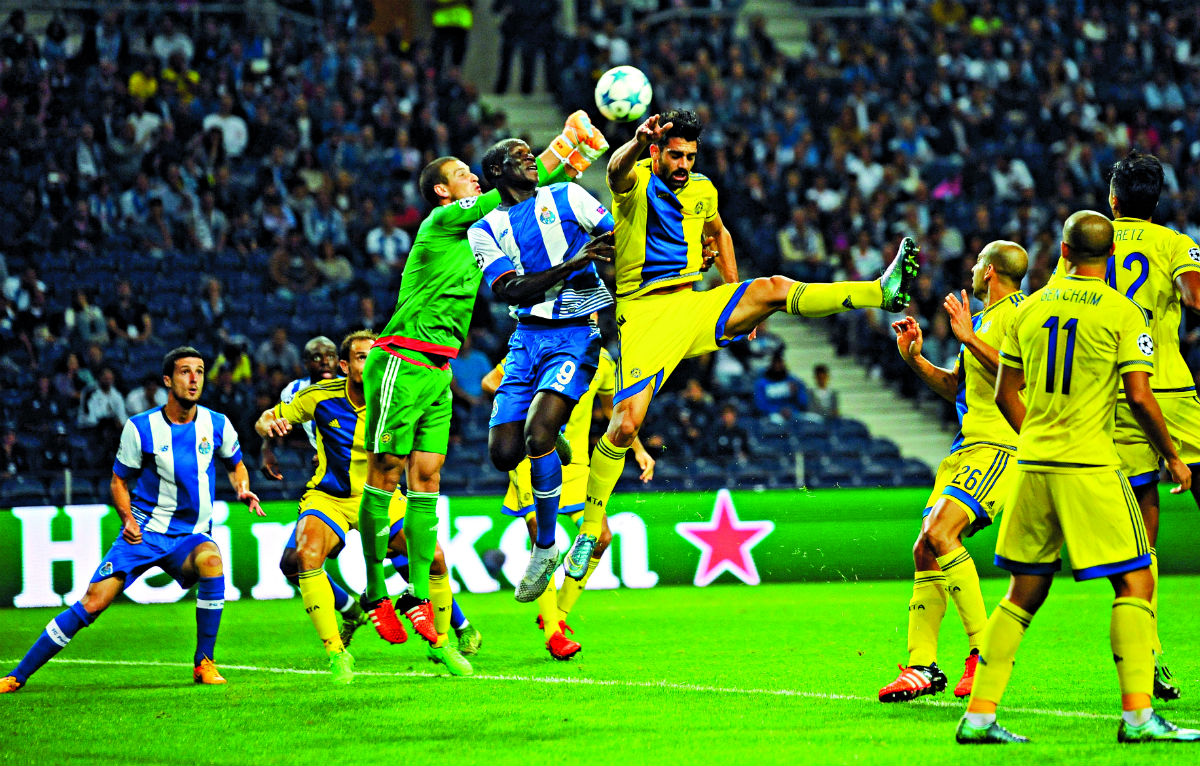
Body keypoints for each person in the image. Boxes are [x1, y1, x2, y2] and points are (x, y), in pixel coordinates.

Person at [568, 109, 920, 575]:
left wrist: (732, 292)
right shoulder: (634, 186)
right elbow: (614, 170)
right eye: (675, 155)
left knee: (770, 287)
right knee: (627, 425)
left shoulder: (703, 190)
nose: (684, 165)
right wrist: (634, 142)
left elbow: (720, 233)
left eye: (690, 156)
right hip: (645, 314)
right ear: (655, 152)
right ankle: (591, 529)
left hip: (694, 305)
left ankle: (882, 290)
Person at [353, 112, 610, 641]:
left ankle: (419, 596)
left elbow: (535, 204)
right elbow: (507, 190)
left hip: (438, 368)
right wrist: (567, 141)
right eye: (465, 175)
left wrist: (578, 156)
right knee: (385, 472)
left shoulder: (480, 235)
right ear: (444, 191)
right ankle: (376, 591)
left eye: (476, 172)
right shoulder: (444, 221)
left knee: (427, 482)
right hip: (401, 357)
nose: (473, 178)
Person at [956, 211, 1198, 744]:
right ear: (1108, 256)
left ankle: (979, 717)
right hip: (1089, 465)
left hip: (1032, 463)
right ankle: (1138, 717)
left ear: (1062, 252)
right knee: (1136, 581)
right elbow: (1138, 396)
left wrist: (1039, 439)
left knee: (1023, 590)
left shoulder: (1031, 307)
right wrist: (1173, 456)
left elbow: (1004, 393)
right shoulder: (1123, 311)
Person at [1, 346, 264, 693]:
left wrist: (243, 488)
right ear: (168, 380)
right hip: (144, 532)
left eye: (199, 371)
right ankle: (17, 675)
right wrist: (126, 518)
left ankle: (204, 662)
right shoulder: (141, 428)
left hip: (190, 535)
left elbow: (235, 464)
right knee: (92, 604)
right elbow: (119, 481)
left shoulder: (218, 424)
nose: (194, 379)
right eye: (186, 372)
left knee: (212, 561)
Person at [255, 331, 473, 680]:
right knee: (305, 555)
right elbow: (265, 418)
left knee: (434, 558)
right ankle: (337, 654)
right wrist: (270, 424)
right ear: (344, 365)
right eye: (360, 357)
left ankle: (441, 643)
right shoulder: (319, 396)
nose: (370, 363)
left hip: (384, 497)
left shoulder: (395, 398)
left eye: (376, 357)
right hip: (332, 498)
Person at [468, 137, 616, 601]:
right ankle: (552, 437)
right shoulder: (484, 229)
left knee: (535, 438)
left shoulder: (569, 196)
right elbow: (511, 289)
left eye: (532, 153)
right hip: (526, 338)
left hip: (578, 330)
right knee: (504, 454)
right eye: (518, 155)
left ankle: (545, 547)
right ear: (496, 173)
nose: (530, 157)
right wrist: (575, 261)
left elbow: (616, 236)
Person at [880, 240, 1027, 704]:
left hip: (1000, 447)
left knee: (942, 533)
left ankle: (984, 653)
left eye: (978, 262)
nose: (972, 268)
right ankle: (922, 666)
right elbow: (958, 388)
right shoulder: (982, 321)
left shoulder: (1022, 315)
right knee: (925, 546)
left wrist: (968, 339)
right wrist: (915, 358)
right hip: (966, 447)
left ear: (990, 273)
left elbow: (1021, 376)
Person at [481, 345, 654, 658]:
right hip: (530, 456)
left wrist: (638, 449)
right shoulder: (540, 344)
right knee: (542, 542)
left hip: (574, 465)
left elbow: (617, 413)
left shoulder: (601, 361)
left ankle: (556, 616)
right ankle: (553, 634)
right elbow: (491, 382)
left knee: (601, 538)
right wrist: (530, 416)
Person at [1104, 150, 1200, 701]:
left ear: (1113, 199)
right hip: (1170, 387)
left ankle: (1152, 652)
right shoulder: (1174, 242)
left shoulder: (1089, 243)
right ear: (1156, 201)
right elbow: (1194, 294)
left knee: (1143, 535)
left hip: (1117, 396)